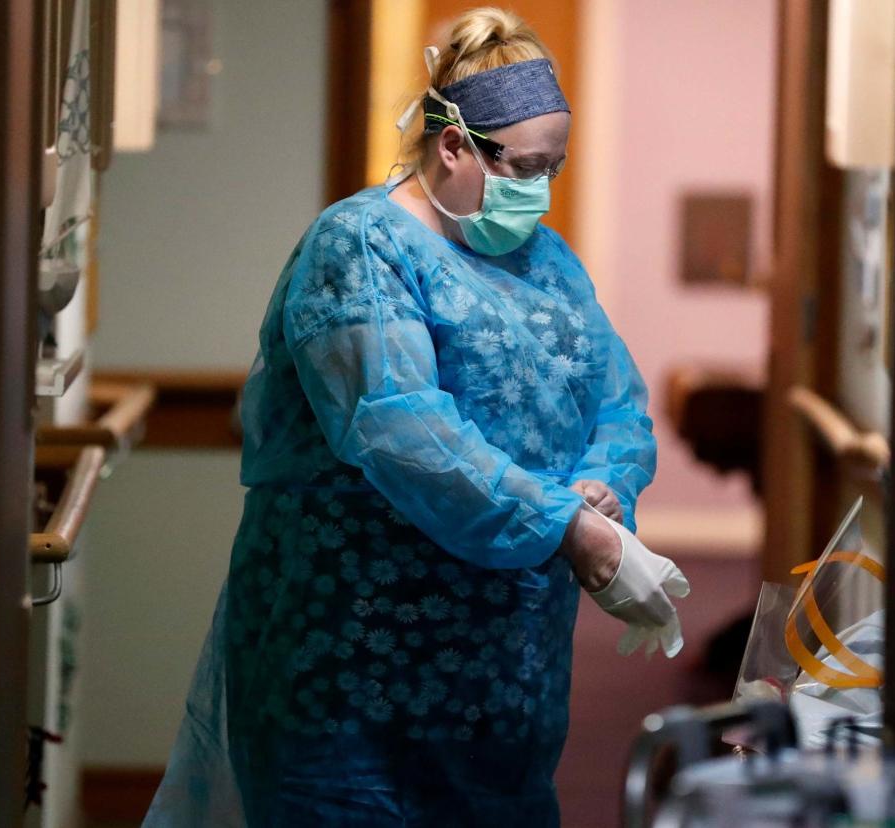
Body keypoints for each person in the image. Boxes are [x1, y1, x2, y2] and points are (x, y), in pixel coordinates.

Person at [143, 8, 688, 826]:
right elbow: (404, 435)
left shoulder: (546, 261)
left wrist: (600, 488)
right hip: (353, 667)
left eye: (554, 169)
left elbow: (614, 397)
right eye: (524, 167)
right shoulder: (360, 249)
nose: (538, 190)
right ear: (454, 144)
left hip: (504, 673)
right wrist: (567, 528)